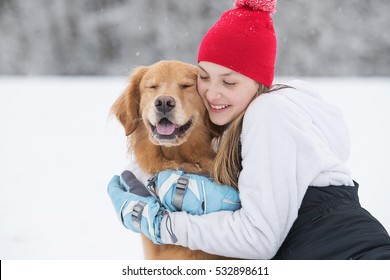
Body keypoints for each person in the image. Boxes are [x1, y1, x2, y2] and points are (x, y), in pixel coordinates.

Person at [108, 0, 390, 259]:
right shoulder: (237, 133)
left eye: (229, 82)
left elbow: (257, 239)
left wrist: (161, 224)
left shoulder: (267, 113)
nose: (213, 94)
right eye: (204, 78)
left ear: (258, 84)